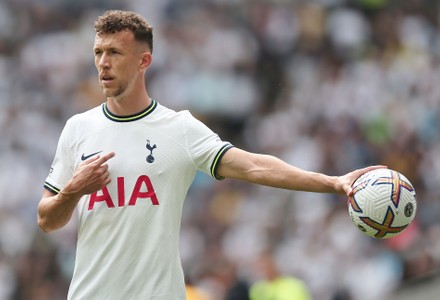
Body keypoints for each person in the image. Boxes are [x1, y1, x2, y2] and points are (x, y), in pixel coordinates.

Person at [37, 10, 384, 300]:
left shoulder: (179, 129)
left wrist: (334, 183)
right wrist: (73, 190)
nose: (103, 63)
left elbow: (255, 166)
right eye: (98, 52)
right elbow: (47, 219)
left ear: (144, 61)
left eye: (114, 52)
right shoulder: (78, 129)